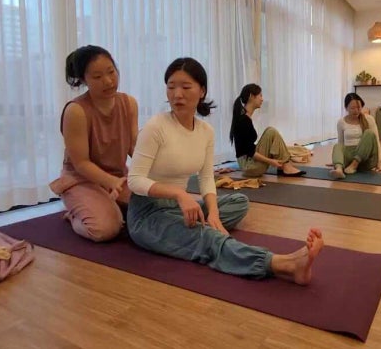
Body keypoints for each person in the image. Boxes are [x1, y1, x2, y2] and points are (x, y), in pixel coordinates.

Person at [127, 58, 323, 284]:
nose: (177, 94)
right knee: (208, 236)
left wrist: (213, 213)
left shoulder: (205, 131)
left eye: (186, 87)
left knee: (239, 202)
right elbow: (135, 180)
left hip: (180, 208)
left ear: (202, 91)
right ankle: (282, 264)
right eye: (171, 87)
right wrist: (179, 194)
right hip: (147, 215)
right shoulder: (155, 127)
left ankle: (195, 227)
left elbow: (206, 178)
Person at [49, 45, 138, 242]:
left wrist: (153, 172)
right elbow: (81, 164)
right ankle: (75, 214)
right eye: (97, 77)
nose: (108, 81)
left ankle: (107, 206)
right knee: (105, 229)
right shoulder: (76, 111)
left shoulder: (129, 103)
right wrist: (111, 182)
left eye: (111, 72)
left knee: (155, 205)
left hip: (118, 177)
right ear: (83, 80)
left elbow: (134, 147)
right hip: (81, 180)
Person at [229, 84, 306, 177]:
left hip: (249, 164)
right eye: (260, 96)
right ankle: (286, 166)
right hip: (250, 166)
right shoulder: (243, 121)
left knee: (271, 133)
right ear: (251, 96)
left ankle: (284, 166)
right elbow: (250, 152)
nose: (262, 99)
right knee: (271, 131)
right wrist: (271, 161)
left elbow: (248, 149)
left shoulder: (245, 119)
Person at [329, 93, 381, 179]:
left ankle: (354, 165)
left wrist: (379, 162)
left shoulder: (369, 119)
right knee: (337, 146)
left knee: (369, 133)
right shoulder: (341, 122)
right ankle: (339, 170)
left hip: (366, 159)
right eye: (353, 108)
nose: (356, 111)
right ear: (346, 108)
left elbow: (376, 141)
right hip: (349, 159)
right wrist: (337, 161)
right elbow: (341, 143)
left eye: (359, 108)